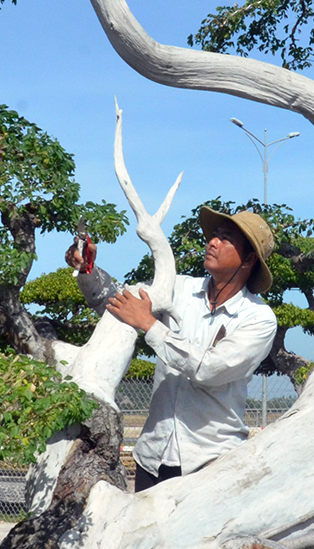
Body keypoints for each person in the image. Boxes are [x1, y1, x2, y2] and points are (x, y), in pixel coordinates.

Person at [106, 207, 279, 491]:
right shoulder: (179, 287)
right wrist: (87, 271)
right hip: (152, 456)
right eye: (214, 235)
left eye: (225, 238)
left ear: (248, 259)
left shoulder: (258, 318)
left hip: (210, 463)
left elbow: (210, 368)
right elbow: (121, 301)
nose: (212, 242)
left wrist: (150, 325)